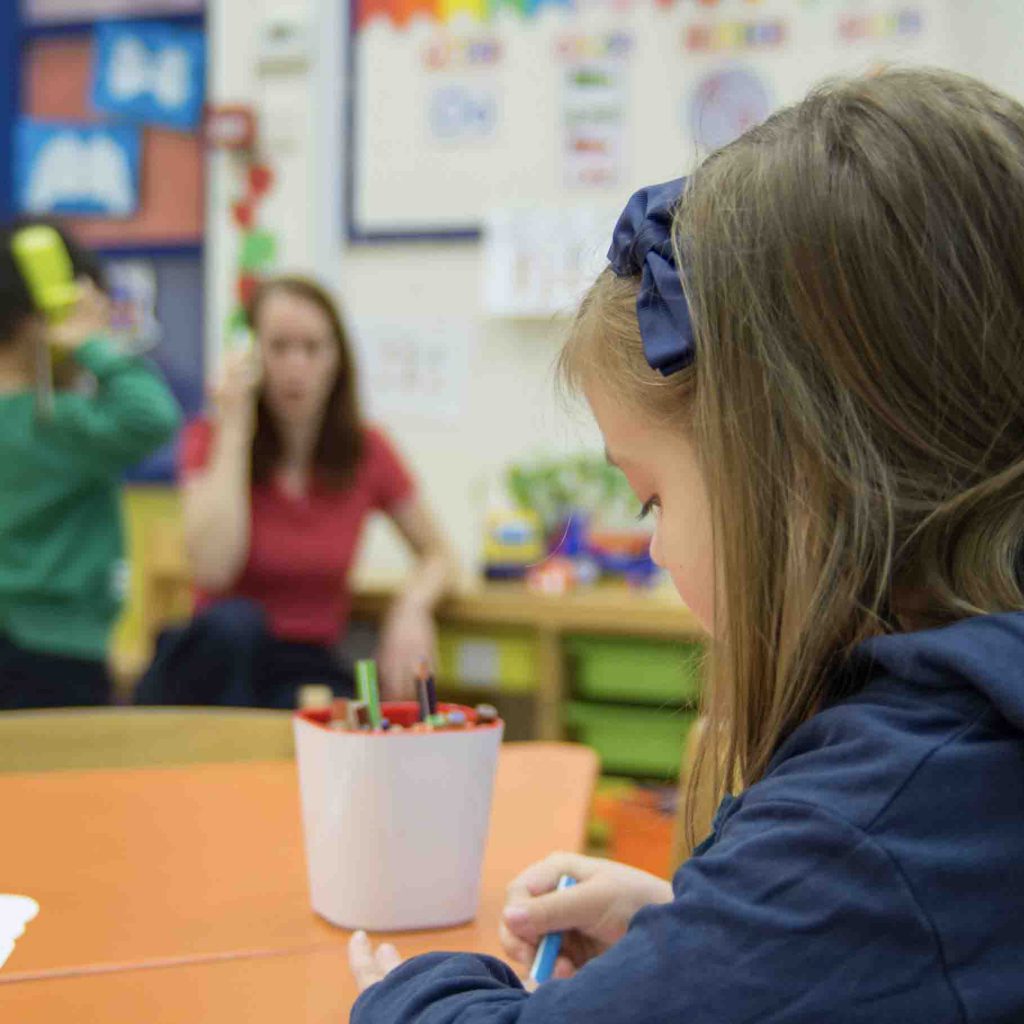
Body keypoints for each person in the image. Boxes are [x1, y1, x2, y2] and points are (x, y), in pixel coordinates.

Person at [348, 69, 1024, 1022]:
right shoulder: (951, 768)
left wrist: (404, 994)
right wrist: (692, 933)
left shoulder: (861, 827)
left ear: (800, 465)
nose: (658, 547)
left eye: (653, 497)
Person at [136, 276, 455, 709]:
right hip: (221, 663)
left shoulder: (368, 450)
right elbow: (213, 569)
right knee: (236, 625)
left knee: (341, 709)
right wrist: (235, 429)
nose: (296, 366)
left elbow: (439, 555)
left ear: (337, 359)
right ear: (252, 355)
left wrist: (412, 607)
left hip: (307, 664)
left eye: (312, 348)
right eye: (279, 347)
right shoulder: (210, 439)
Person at [0, 220, 181, 709]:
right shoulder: (56, 423)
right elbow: (152, 416)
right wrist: (92, 343)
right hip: (58, 654)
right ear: (45, 317)